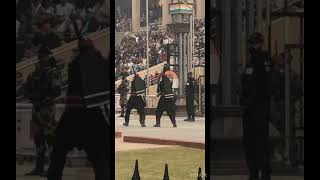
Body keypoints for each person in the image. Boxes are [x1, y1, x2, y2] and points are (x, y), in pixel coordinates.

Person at [47, 39, 110, 180]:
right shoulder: (102, 64)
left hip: (73, 116)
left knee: (58, 155)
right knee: (100, 159)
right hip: (93, 115)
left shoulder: (74, 65)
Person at [24, 46, 61, 176]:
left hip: (47, 109)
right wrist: (33, 100)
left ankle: (52, 167)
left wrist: (43, 101)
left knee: (50, 138)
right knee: (38, 139)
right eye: (40, 56)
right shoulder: (34, 74)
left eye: (44, 56)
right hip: (37, 108)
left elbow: (56, 91)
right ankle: (39, 167)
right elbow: (26, 89)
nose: (41, 59)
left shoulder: (52, 72)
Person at [241, 32, 272, 180]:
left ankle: (264, 173)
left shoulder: (264, 60)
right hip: (249, 110)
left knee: (261, 142)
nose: (252, 46)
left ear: (261, 44)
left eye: (255, 43)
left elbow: (265, 85)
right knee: (250, 142)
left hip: (260, 108)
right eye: (251, 43)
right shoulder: (251, 61)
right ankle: (253, 172)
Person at [154, 64, 177, 128]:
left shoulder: (164, 76)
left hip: (165, 97)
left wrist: (159, 93)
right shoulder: (172, 75)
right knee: (171, 111)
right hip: (171, 96)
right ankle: (174, 123)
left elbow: (161, 85)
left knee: (159, 110)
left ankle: (158, 123)